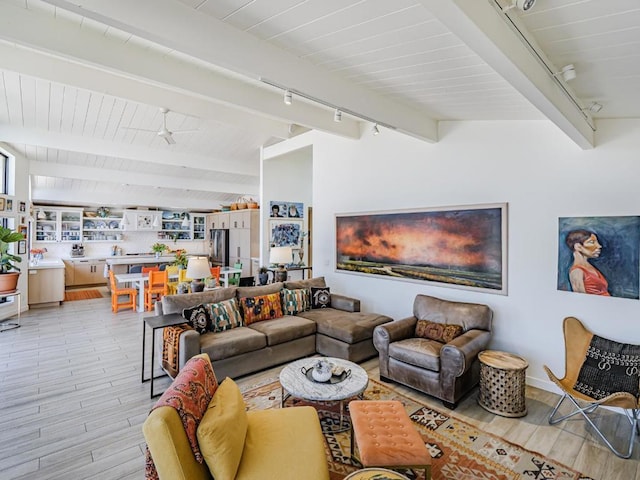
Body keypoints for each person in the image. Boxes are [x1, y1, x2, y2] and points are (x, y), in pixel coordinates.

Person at [565, 229, 610, 296]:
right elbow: (581, 299)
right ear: (578, 247)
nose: (599, 246)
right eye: (592, 242)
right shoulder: (577, 271)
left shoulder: (589, 267)